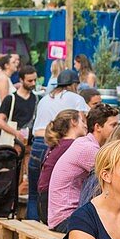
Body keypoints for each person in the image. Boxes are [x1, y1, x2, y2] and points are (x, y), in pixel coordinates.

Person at [29, 70, 90, 219]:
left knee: (33, 194)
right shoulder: (76, 98)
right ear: (74, 84)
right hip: (60, 144)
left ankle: (34, 224)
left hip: (38, 144)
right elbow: (85, 119)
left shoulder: (45, 98)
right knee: (53, 190)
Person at [48, 105, 120, 230]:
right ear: (98, 127)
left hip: (62, 215)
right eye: (113, 125)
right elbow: (116, 177)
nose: (117, 129)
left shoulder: (85, 143)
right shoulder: (88, 149)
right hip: (66, 219)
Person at [37, 110, 87, 224]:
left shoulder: (59, 143)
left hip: (44, 202)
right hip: (52, 206)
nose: (85, 125)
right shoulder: (71, 145)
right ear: (73, 122)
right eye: (82, 121)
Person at [0, 65, 37, 163]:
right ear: (21, 80)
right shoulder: (11, 99)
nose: (33, 83)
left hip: (29, 145)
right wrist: (16, 133)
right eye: (30, 81)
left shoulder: (35, 99)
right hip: (12, 145)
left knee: (26, 176)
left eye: (35, 80)